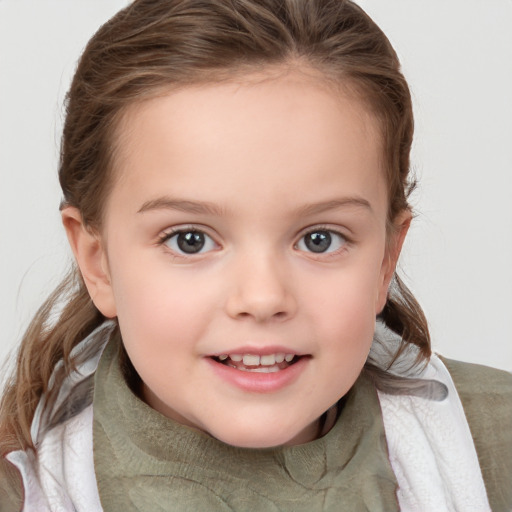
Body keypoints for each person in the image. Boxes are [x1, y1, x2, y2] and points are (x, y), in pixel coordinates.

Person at [0, 0, 510, 510]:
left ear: (384, 260)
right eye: (190, 239)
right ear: (98, 262)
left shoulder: (496, 445)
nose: (263, 298)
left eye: (319, 239)